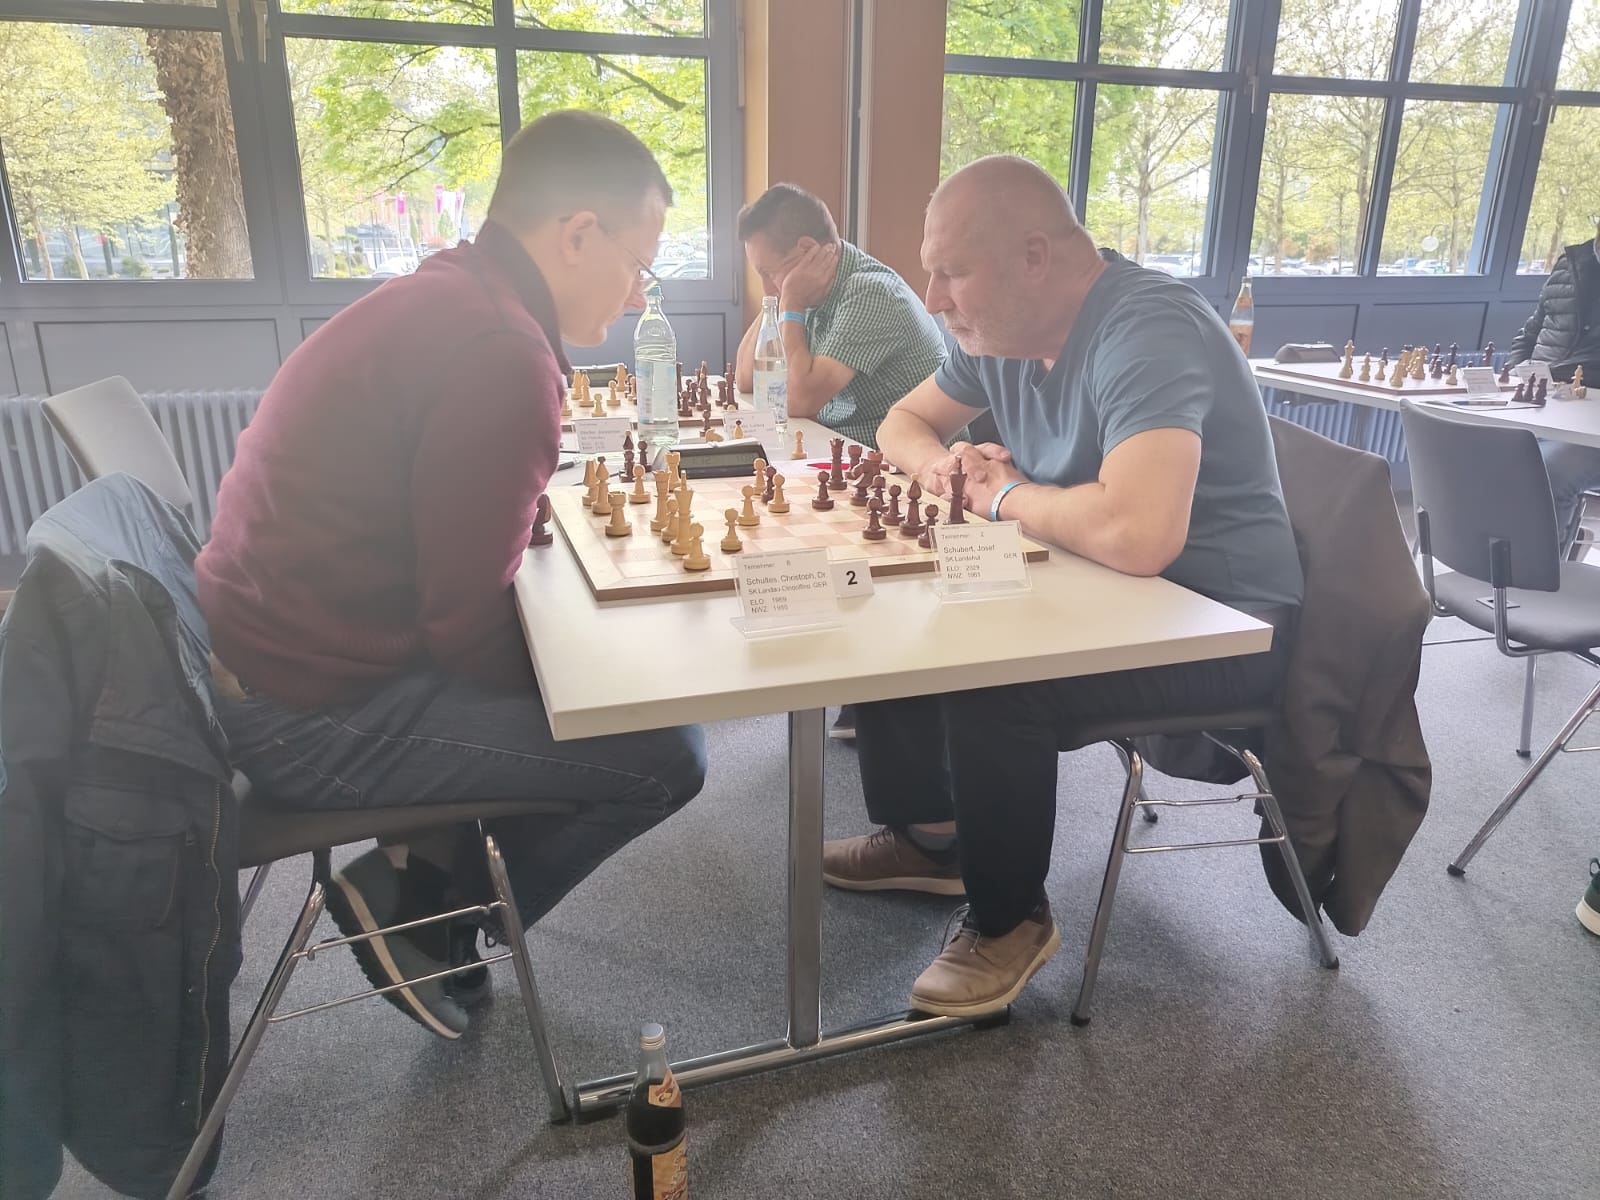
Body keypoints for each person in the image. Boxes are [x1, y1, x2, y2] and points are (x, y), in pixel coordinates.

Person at [197, 111, 707, 1040]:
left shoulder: (455, 292)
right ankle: (426, 915)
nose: (641, 294)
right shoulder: (502, 352)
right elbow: (467, 629)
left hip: (258, 659)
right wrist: (607, 676)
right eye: (641, 263)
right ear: (578, 234)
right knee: (667, 750)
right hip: (303, 717)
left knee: (598, 682)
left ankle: (425, 872)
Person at [823, 156, 1304, 1018]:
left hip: (1219, 624)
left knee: (992, 672)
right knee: (904, 605)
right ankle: (931, 837)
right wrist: (945, 468)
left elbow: (1139, 534)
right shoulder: (1002, 335)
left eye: (951, 272)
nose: (932, 298)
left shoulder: (1148, 328)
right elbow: (903, 421)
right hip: (1101, 586)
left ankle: (1009, 920)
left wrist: (1002, 494)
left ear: (1034, 258)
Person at [734, 183, 946, 741]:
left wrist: (791, 303)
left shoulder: (871, 293)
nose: (766, 285)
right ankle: (838, 667)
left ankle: (868, 674)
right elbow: (747, 378)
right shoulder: (806, 292)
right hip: (843, 451)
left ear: (807, 251)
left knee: (776, 515)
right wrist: (778, 299)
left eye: (769, 271)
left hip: (900, 473)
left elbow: (799, 399)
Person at [1508, 230, 1600, 548]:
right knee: (1470, 450)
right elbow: (1530, 333)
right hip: (1538, 403)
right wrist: (1517, 371)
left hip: (1590, 427)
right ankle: (1486, 559)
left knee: (1549, 471)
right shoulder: (1570, 262)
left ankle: (1541, 570)